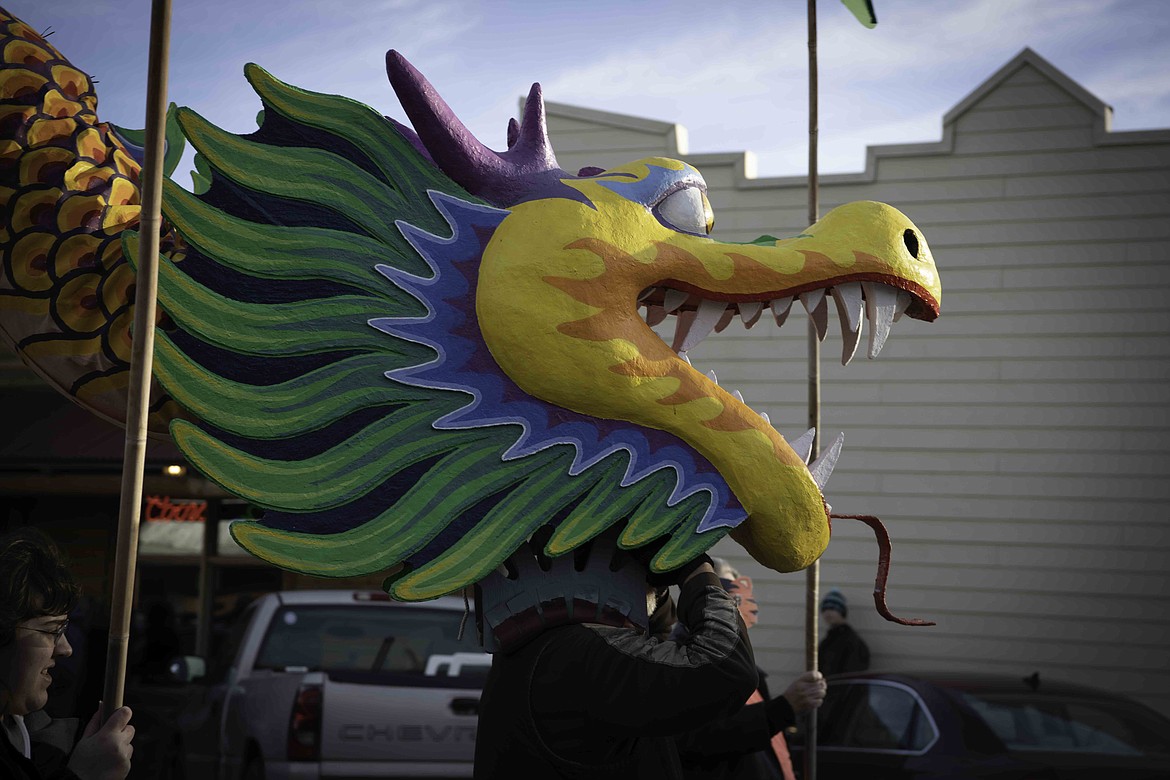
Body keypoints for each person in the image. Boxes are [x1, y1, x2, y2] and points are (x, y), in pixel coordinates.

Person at [473, 532, 759, 780]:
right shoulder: (580, 654)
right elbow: (727, 668)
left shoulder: (543, 646)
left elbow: (654, 647)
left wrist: (656, 595)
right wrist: (696, 570)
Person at [0, 528, 135, 780]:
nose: (66, 649)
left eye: (63, 630)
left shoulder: (34, 740)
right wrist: (83, 775)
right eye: (50, 630)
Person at [676, 559, 826, 780]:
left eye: (734, 592)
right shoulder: (679, 664)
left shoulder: (749, 672)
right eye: (718, 588)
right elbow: (698, 739)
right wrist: (783, 708)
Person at [817, 589, 869, 676]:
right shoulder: (828, 640)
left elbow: (850, 676)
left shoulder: (851, 641)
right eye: (825, 609)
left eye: (833, 608)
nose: (828, 613)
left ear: (842, 612)